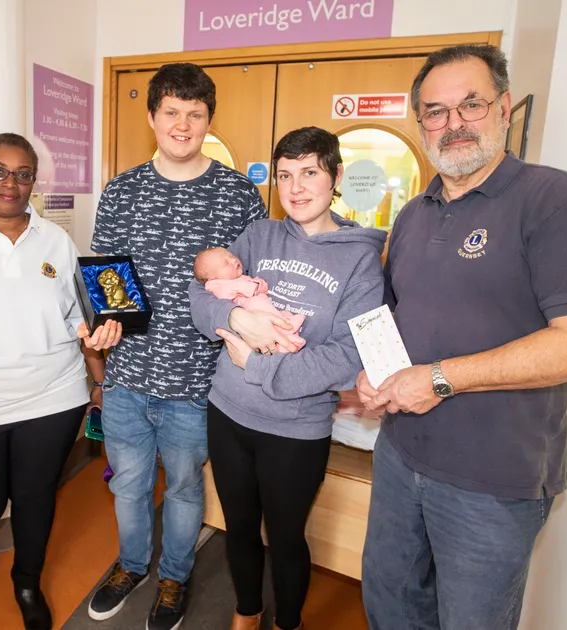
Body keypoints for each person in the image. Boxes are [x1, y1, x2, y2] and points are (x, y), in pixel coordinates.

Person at [358, 44, 567, 629]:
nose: (453, 124)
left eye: (470, 105)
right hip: (402, 457)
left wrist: (439, 379)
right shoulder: (413, 214)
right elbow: (397, 315)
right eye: (435, 111)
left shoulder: (557, 201)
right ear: (420, 122)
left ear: (504, 109)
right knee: (390, 606)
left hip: (493, 483)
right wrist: (373, 370)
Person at [85, 62, 268, 630]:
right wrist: (108, 320)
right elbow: (107, 273)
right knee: (130, 486)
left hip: (199, 382)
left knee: (186, 490)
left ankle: (174, 577)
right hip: (127, 378)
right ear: (152, 117)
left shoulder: (239, 194)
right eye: (172, 113)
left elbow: (257, 283)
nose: (183, 125)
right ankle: (133, 564)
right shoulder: (123, 190)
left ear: (209, 119)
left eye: (195, 114)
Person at [189, 126, 386, 630]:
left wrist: (257, 364)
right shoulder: (258, 236)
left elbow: (348, 355)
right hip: (228, 413)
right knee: (238, 530)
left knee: (286, 537)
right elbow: (202, 295)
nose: (295, 188)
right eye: (284, 175)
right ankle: (247, 612)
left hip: (295, 431)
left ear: (335, 176)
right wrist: (237, 320)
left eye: (309, 173)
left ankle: (288, 622)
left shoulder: (361, 256)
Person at [0, 133, 117, 630]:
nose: (11, 183)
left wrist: (99, 388)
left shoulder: (57, 242)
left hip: (53, 400)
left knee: (35, 502)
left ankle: (26, 582)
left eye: (23, 173)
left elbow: (82, 325)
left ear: (35, 180)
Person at [193, 246, 306, 351]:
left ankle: (288, 328)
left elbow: (262, 287)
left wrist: (258, 284)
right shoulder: (215, 285)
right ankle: (288, 337)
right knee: (270, 325)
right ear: (213, 278)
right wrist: (252, 286)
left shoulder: (239, 278)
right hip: (249, 308)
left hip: (260, 304)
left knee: (278, 316)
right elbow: (231, 293)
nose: (233, 260)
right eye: (226, 263)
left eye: (231, 256)